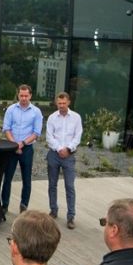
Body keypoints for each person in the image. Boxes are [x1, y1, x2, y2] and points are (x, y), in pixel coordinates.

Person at [1, 84, 43, 218]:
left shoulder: (36, 112)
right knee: (7, 178)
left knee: (26, 179)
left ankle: (24, 206)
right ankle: (4, 205)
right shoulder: (11, 109)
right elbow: (6, 128)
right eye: (21, 95)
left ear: (30, 96)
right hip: (11, 148)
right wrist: (15, 144)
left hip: (27, 148)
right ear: (18, 95)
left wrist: (22, 144)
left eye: (26, 96)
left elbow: (36, 133)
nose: (24, 98)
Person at [46, 92, 83, 230]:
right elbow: (49, 137)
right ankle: (53, 210)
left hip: (69, 155)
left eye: (64, 103)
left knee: (69, 186)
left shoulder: (76, 117)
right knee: (52, 185)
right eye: (59, 103)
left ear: (69, 102)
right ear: (56, 103)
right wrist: (59, 148)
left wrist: (68, 149)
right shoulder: (52, 118)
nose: (61, 106)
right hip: (54, 154)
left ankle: (71, 216)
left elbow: (78, 136)